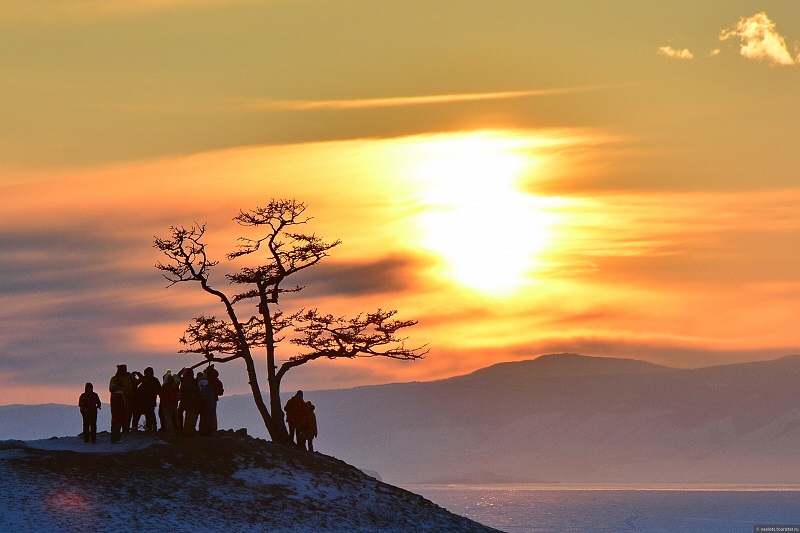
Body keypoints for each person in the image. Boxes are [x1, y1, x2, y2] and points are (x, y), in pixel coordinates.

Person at [132, 367, 161, 432]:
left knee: (149, 415)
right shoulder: (146, 379)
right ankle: (135, 427)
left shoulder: (153, 380)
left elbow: (159, 390)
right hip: (141, 400)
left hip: (149, 401)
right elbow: (135, 384)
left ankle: (150, 427)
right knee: (139, 414)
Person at [109, 364, 134, 433]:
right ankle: (115, 432)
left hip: (126, 400)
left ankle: (125, 430)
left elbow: (130, 389)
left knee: (125, 416)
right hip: (117, 401)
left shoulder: (127, 378)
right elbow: (111, 389)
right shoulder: (115, 378)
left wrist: (130, 397)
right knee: (116, 416)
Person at [179, 368, 200, 435]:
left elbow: (178, 376)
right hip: (189, 401)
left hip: (184, 401)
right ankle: (187, 431)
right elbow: (191, 393)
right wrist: (194, 401)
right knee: (189, 416)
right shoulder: (190, 381)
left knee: (187, 416)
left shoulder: (184, 381)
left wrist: (181, 371)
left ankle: (186, 430)